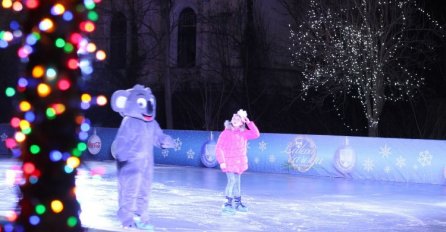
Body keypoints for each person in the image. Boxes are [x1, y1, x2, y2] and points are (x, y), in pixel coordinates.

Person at [111, 84, 175, 230]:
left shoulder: (152, 123)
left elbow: (158, 136)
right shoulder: (129, 121)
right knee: (129, 191)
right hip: (130, 163)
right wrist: (123, 156)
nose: (148, 108)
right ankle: (126, 219)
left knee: (144, 191)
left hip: (146, 164)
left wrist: (165, 141)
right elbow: (122, 140)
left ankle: (140, 217)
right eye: (141, 103)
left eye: (150, 103)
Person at [215, 109, 260, 214]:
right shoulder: (226, 133)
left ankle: (238, 203)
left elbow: (256, 134)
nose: (235, 120)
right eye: (233, 118)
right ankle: (227, 203)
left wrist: (249, 122)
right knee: (231, 181)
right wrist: (222, 161)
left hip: (238, 163)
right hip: (228, 162)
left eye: (237, 119)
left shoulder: (244, 133)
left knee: (237, 183)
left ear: (241, 123)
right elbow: (218, 148)